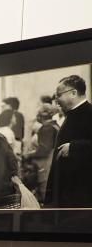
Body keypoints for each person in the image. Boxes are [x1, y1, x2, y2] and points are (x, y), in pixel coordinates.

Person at [45, 75, 92, 207]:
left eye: (58, 95)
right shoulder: (71, 114)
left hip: (82, 194)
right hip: (67, 193)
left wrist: (74, 147)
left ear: (73, 93)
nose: (56, 101)